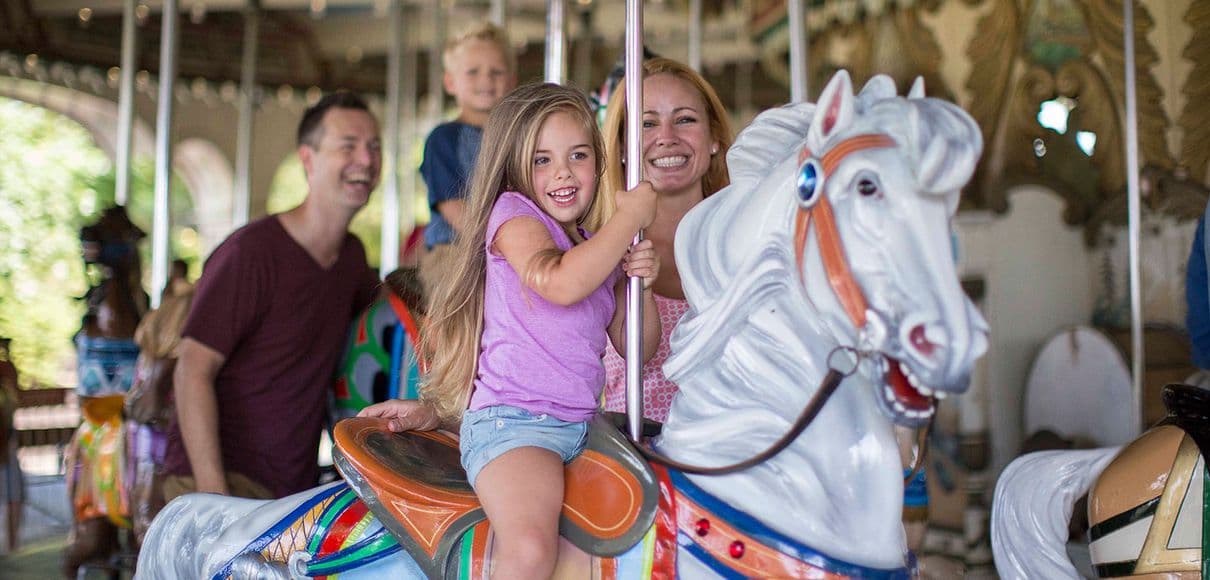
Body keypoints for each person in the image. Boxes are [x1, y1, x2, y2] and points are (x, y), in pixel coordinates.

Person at [360, 83, 661, 578]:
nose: (563, 172)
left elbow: (637, 348)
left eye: (578, 155)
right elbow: (556, 282)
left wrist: (641, 287)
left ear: (600, 166)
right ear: (515, 170)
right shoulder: (514, 218)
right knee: (529, 551)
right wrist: (625, 218)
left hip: (583, 429)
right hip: (516, 428)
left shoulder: (592, 247)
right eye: (541, 160)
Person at [163, 92, 382, 501]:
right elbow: (191, 369)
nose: (366, 161)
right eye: (347, 146)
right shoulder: (252, 253)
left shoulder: (351, 259)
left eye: (374, 147)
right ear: (308, 159)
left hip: (287, 489)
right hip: (218, 481)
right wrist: (214, 494)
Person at [587, 57, 734, 423]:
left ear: (714, 138)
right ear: (622, 145)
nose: (666, 137)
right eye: (647, 123)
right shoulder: (601, 249)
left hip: (737, 453)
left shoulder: (746, 244)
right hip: (642, 451)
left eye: (685, 119)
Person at [419, 21, 517, 297]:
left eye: (496, 72)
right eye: (473, 72)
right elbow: (455, 209)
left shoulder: (517, 139)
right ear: (450, 81)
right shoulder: (444, 138)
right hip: (456, 249)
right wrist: (508, 242)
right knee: (458, 308)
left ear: (511, 80)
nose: (486, 80)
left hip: (506, 246)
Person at [0, 337, 22, 552]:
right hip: (5, 441)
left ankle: (12, 544)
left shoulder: (6, 370)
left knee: (14, 496)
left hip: (6, 440)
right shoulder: (6, 370)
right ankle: (11, 544)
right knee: (13, 496)